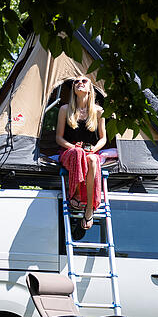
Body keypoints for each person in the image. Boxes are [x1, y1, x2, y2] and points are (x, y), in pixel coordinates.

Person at [56, 76, 106, 229]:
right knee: (78, 154)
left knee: (92, 160)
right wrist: (73, 147)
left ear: (90, 89)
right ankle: (76, 194)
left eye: (84, 81)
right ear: (73, 89)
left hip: (90, 150)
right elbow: (58, 138)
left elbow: (103, 139)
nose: (79, 83)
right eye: (76, 82)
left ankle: (89, 208)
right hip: (69, 151)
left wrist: (93, 149)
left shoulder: (98, 111)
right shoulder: (65, 109)